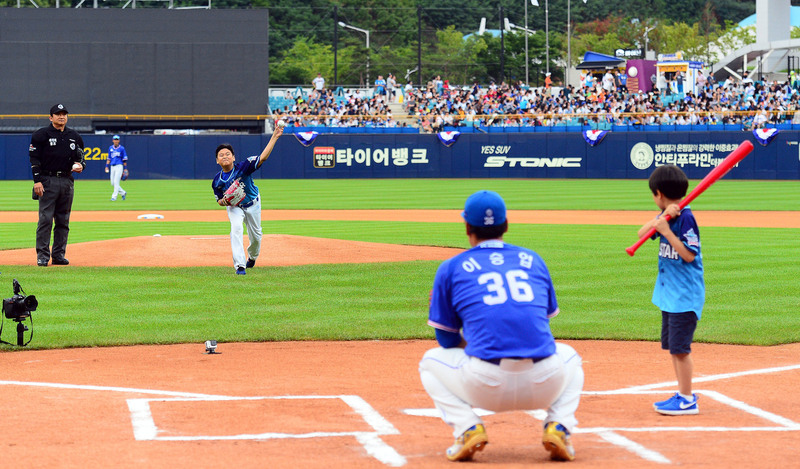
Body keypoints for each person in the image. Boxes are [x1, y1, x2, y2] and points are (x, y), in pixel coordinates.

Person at [419, 190, 584, 462]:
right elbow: (538, 321)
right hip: (545, 382)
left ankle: (467, 427)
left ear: (467, 227)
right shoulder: (533, 260)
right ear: (506, 225)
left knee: (429, 362)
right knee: (571, 356)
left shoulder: (450, 268)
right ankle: (559, 426)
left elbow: (446, 342)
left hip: (486, 387)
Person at [636, 164, 704, 416]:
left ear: (659, 193)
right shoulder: (668, 216)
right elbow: (640, 233)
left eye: (652, 194)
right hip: (669, 295)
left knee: (680, 349)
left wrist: (666, 230)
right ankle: (682, 394)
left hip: (684, 297)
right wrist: (660, 220)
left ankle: (687, 399)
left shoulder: (686, 218)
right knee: (674, 348)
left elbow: (688, 255)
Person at [212, 125, 284, 275]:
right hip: (234, 207)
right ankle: (240, 266)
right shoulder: (217, 181)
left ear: (233, 157)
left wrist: (275, 136)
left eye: (227, 154)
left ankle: (252, 257)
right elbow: (219, 200)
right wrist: (224, 202)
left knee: (256, 237)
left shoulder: (244, 167)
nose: (224, 156)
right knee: (236, 229)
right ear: (217, 161)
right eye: (221, 155)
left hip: (253, 204)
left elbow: (263, 158)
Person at [29, 104, 85, 267]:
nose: (61, 117)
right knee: (45, 219)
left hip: (67, 180)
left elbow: (81, 158)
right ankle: (43, 255)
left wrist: (81, 166)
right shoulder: (41, 135)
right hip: (47, 180)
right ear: (50, 117)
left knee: (63, 220)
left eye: (64, 114)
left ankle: (59, 255)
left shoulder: (75, 136)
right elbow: (34, 159)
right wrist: (37, 181)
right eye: (57, 114)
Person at [105, 134, 128, 201]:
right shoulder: (110, 148)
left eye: (117, 139)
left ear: (119, 141)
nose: (116, 141)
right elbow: (109, 158)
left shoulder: (122, 148)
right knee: (112, 183)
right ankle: (123, 193)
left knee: (116, 182)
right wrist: (106, 166)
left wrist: (125, 168)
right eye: (115, 139)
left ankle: (114, 197)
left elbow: (124, 159)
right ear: (113, 140)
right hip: (112, 166)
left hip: (119, 166)